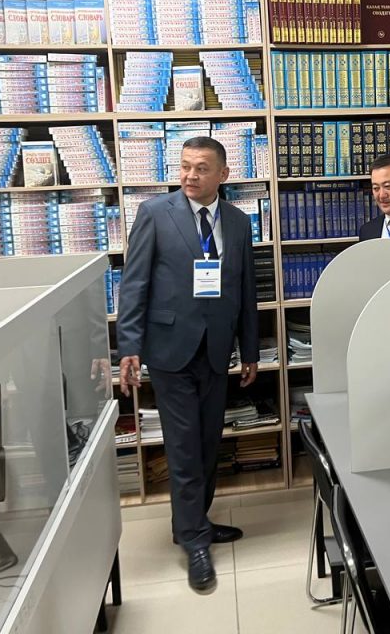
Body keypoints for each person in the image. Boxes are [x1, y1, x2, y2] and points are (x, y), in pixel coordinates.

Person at [117, 137, 259, 593]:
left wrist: (250, 349)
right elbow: (134, 283)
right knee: (183, 448)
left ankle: (195, 521)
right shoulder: (155, 214)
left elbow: (245, 291)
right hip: (170, 349)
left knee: (207, 443)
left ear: (223, 174)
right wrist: (129, 346)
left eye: (201, 168)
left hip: (216, 350)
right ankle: (195, 540)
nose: (190, 175)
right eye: (185, 167)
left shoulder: (237, 222)